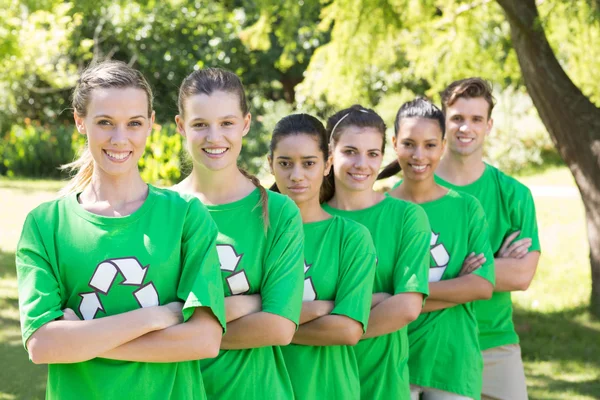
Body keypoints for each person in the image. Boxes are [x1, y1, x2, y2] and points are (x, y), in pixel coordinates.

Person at [16, 61, 226, 400]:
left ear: (150, 125)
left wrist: (79, 340)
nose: (120, 138)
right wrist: (157, 316)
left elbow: (204, 340)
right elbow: (42, 345)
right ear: (79, 121)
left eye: (134, 123)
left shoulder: (187, 216)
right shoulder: (46, 225)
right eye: (104, 123)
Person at [173, 68, 304, 400]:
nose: (214, 137)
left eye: (227, 123)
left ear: (245, 123)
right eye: (200, 124)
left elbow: (279, 327)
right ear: (180, 126)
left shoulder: (279, 213)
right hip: (177, 390)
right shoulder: (162, 211)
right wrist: (251, 304)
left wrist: (186, 330)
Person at [435, 78, 541, 400]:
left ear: (489, 125)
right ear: (443, 122)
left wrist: (455, 274)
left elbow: (522, 276)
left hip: (496, 342)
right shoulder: (416, 192)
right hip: (437, 342)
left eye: (476, 119)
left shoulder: (514, 195)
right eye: (457, 118)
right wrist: (497, 265)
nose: (466, 128)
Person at [384, 98, 495, 400]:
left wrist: (402, 296)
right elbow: (367, 298)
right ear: (394, 143)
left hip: (452, 362)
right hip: (391, 362)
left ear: (443, 145)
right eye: (409, 143)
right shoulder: (380, 210)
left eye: (430, 145)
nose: (419, 155)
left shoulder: (466, 208)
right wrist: (456, 287)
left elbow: (482, 286)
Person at [321, 105, 431, 400]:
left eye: (372, 154)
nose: (362, 164)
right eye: (350, 151)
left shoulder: (407, 217)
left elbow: (407, 307)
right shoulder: (306, 219)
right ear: (330, 154)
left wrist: (334, 328)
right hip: (314, 380)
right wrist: (374, 302)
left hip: (382, 384)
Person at [268, 113, 377, 399]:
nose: (296, 175)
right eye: (285, 163)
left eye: (308, 163)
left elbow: (347, 330)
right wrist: (319, 309)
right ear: (270, 165)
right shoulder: (256, 235)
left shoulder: (351, 238)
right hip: (262, 388)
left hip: (330, 390)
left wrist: (267, 325)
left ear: (327, 164)